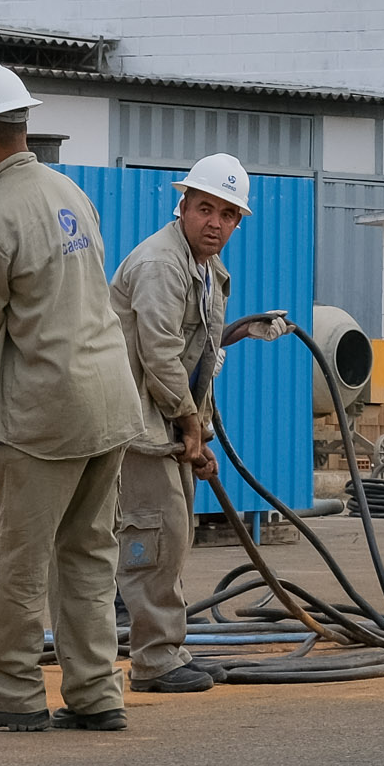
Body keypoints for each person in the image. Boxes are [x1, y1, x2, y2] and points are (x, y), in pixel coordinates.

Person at [0, 61, 146, 733]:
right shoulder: (71, 193)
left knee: (22, 559)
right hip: (112, 401)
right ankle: (95, 695)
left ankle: (14, 694)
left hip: (47, 412)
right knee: (89, 553)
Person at [110, 154, 248, 695]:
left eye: (228, 214)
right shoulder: (162, 265)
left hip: (167, 420)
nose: (216, 222)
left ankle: (169, 645)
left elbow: (203, 355)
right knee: (155, 528)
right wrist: (187, 424)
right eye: (206, 208)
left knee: (172, 531)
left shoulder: (209, 271)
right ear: (183, 205)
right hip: (133, 418)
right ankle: (154, 659)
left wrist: (201, 429)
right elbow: (160, 355)